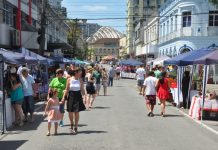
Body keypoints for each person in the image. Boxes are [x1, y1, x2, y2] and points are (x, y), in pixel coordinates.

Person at [61, 68, 86, 134]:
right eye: (79, 72)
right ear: (75, 72)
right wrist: (63, 97)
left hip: (78, 96)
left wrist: (85, 97)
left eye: (81, 72)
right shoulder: (69, 79)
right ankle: (71, 124)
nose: (80, 73)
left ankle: (76, 127)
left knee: (77, 112)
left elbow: (82, 89)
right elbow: (66, 89)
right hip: (71, 96)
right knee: (70, 112)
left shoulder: (80, 80)